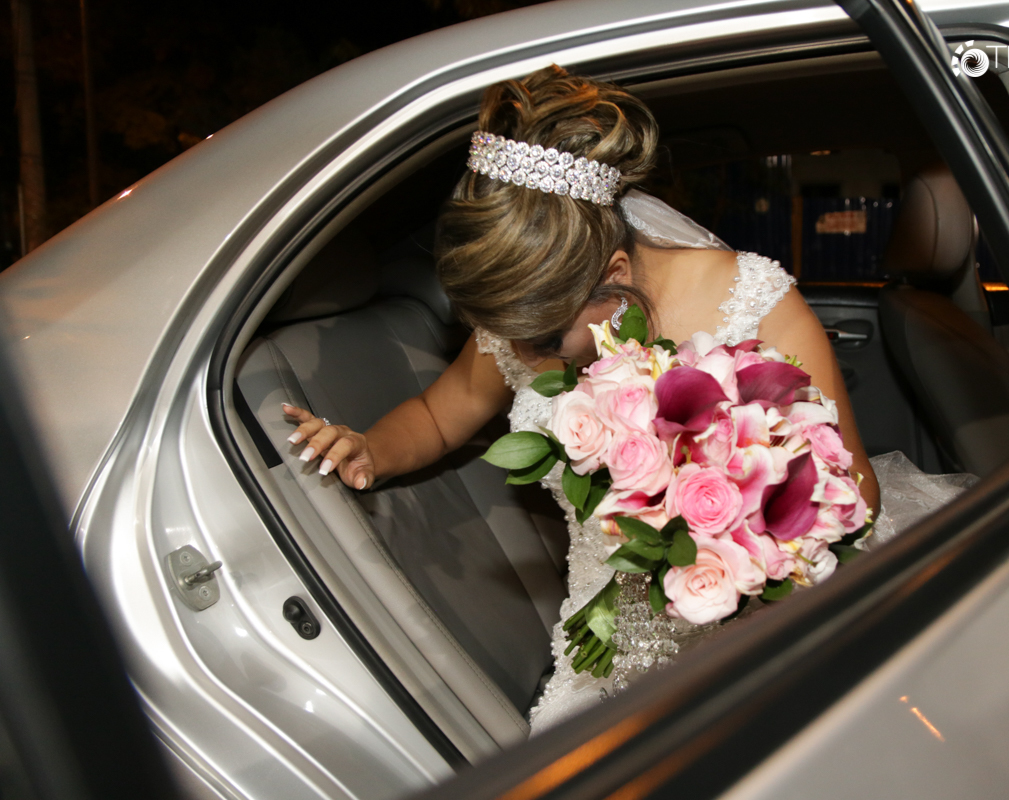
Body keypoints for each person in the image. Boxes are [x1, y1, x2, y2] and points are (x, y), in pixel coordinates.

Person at [282, 65, 968, 733]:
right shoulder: (529, 318)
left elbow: (852, 492)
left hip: (771, 617)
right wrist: (369, 447)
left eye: (543, 340)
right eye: (506, 337)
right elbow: (438, 416)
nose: (521, 358)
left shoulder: (750, 300)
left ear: (613, 276)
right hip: (613, 640)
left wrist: (728, 529)